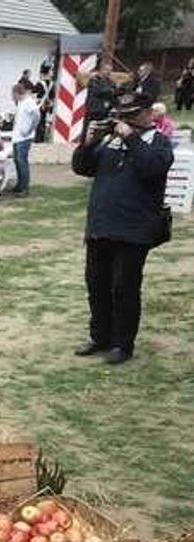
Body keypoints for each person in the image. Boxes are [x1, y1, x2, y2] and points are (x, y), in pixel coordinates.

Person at [71, 91, 173, 365]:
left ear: (149, 114)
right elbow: (82, 168)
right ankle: (99, 336)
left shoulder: (159, 143)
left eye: (131, 115)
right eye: (121, 116)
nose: (124, 121)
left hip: (133, 230)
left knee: (124, 288)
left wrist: (130, 136)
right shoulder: (109, 140)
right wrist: (89, 143)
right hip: (100, 226)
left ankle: (122, 343)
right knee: (97, 285)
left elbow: (152, 168)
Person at [11, 83, 39, 197]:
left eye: (13, 94)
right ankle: (20, 184)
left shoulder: (29, 102)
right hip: (17, 136)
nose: (12, 97)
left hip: (24, 137)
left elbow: (36, 115)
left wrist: (30, 129)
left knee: (22, 161)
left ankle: (25, 188)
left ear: (17, 93)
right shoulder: (21, 103)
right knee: (17, 161)